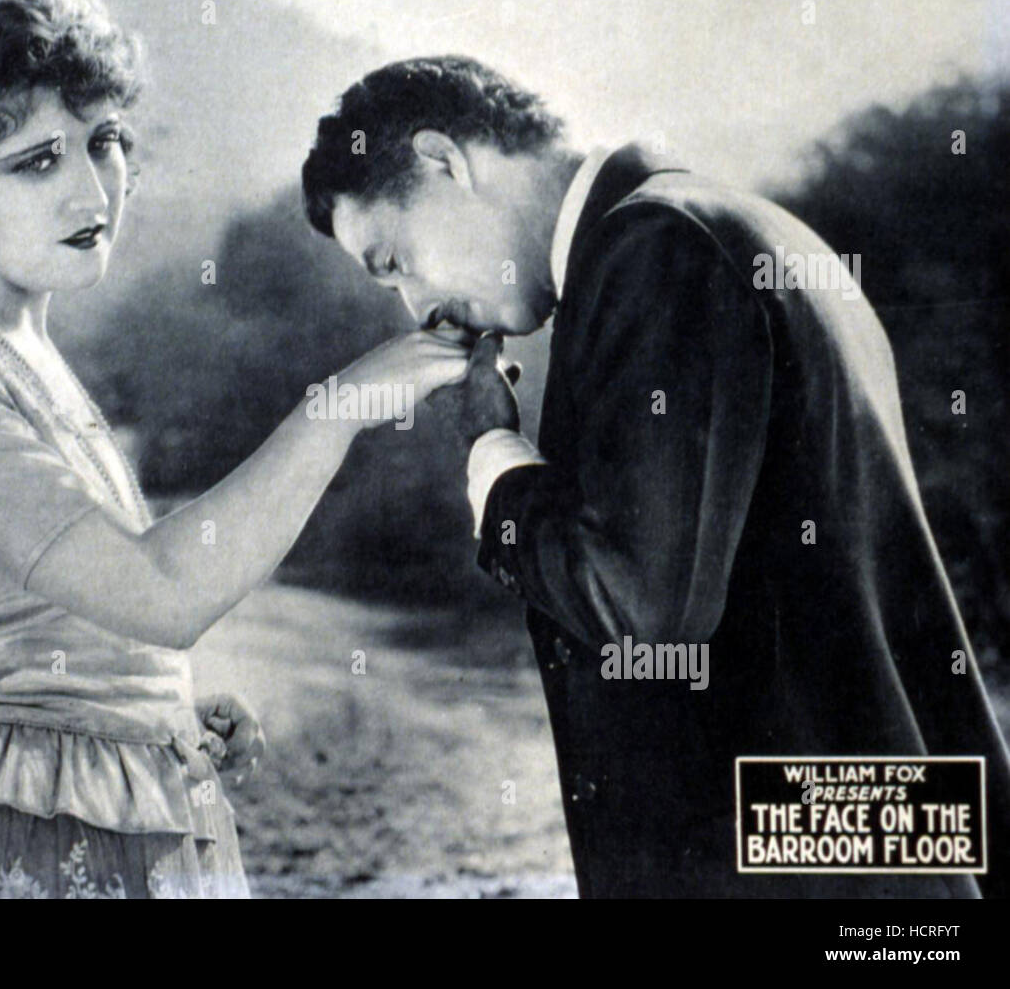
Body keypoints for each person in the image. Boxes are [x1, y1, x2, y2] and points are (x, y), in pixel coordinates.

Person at [0, 0, 469, 899]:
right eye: (36, 160)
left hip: (99, 814)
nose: (94, 192)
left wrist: (151, 711)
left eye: (104, 141)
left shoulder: (13, 345)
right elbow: (162, 593)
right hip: (0, 839)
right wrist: (342, 406)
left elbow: (62, 628)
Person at [301, 55, 1010, 898]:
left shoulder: (655, 250)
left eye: (395, 260)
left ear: (442, 161)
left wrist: (492, 457)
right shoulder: (744, 227)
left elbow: (643, 614)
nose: (416, 309)